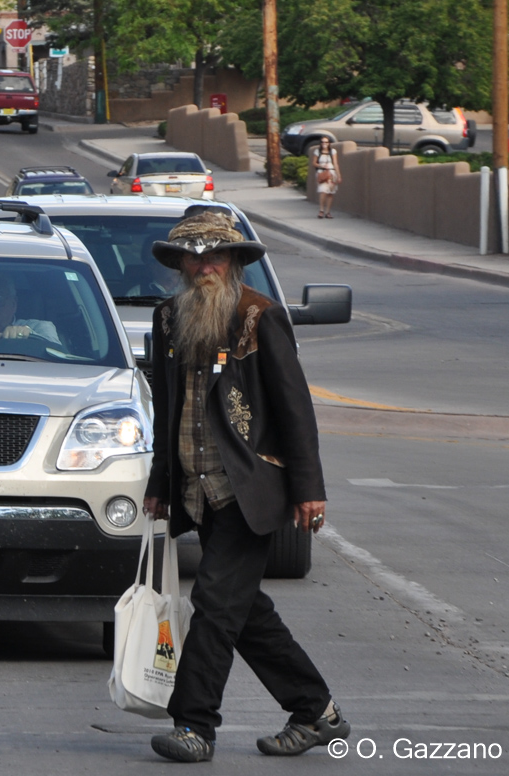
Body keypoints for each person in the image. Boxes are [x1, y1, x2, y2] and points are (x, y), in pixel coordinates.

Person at [142, 209, 349, 763]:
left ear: (233, 261)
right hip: (195, 490)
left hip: (248, 488)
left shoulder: (261, 317)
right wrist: (159, 483)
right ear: (181, 264)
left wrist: (310, 489)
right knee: (243, 610)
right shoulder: (166, 321)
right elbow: (167, 412)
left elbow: (294, 408)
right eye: (195, 255)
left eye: (216, 254)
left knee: (213, 601)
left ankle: (195, 725)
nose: (205, 264)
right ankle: (315, 710)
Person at [313, 136, 341, 219]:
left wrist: (339, 175)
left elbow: (335, 163)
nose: (324, 144)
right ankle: (321, 210)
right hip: (322, 173)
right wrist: (321, 165)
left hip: (332, 173)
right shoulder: (317, 151)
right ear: (320, 143)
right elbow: (314, 163)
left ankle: (328, 211)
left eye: (326, 142)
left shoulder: (333, 151)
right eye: (322, 142)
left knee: (330, 193)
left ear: (329, 143)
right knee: (323, 191)